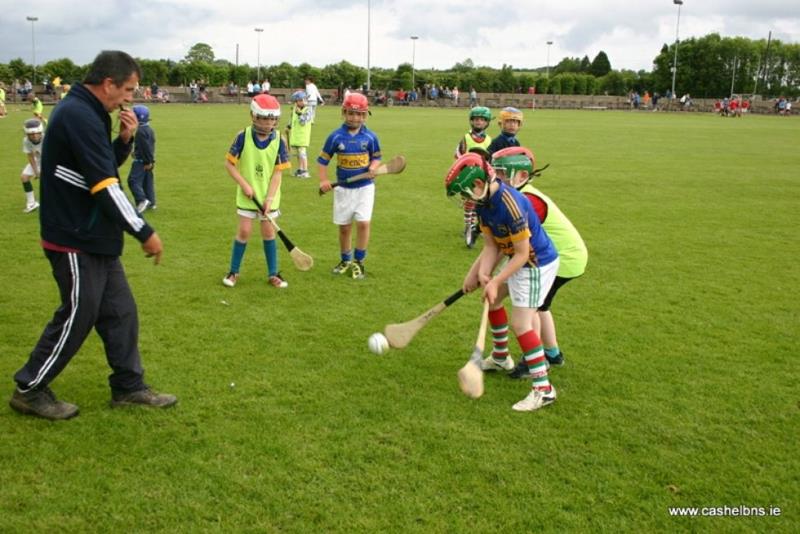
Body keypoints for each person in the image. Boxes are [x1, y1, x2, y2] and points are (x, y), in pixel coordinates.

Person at [9, 50, 176, 420]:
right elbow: (104, 184)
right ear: (108, 84)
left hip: (92, 234)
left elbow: (95, 167)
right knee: (78, 313)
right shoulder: (79, 114)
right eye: (128, 89)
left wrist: (124, 140)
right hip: (73, 235)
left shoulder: (90, 112)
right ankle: (30, 388)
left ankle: (128, 387)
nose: (131, 97)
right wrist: (143, 230)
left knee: (120, 312)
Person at [445, 153, 559, 412]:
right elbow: (490, 245)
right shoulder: (484, 203)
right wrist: (477, 274)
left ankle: (544, 389)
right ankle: (500, 358)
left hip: (535, 263)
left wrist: (495, 279)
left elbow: (521, 254)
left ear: (478, 184)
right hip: (520, 259)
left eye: (464, 194)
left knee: (521, 323)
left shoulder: (510, 204)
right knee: (493, 300)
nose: (464, 200)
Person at [490, 146, 588, 375]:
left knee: (529, 307)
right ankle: (552, 353)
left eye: (503, 173)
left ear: (521, 176)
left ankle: (533, 359)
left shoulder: (526, 200)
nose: (497, 178)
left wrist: (493, 274)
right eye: (496, 172)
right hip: (558, 256)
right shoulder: (518, 194)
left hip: (562, 258)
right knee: (541, 306)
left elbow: (513, 243)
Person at [222, 94, 291, 289]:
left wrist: (269, 199)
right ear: (253, 116)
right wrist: (244, 184)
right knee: (244, 232)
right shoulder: (242, 136)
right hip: (247, 195)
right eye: (265, 118)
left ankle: (273, 273)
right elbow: (229, 164)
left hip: (270, 196)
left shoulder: (279, 140)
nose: (269, 123)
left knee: (269, 234)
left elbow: (278, 173)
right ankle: (234, 271)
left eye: (272, 119)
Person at [318, 92, 382, 280]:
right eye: (351, 113)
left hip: (365, 187)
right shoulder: (335, 137)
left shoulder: (370, 137)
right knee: (344, 227)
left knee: (363, 223)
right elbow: (323, 161)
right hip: (343, 189)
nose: (355, 118)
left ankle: (358, 262)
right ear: (344, 112)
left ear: (365, 115)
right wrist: (323, 180)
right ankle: (345, 259)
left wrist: (373, 167)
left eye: (360, 114)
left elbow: (377, 157)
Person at [455, 106, 493, 248]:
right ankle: (468, 227)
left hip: (481, 176)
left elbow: (491, 158)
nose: (479, 122)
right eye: (476, 119)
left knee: (479, 203)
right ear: (471, 121)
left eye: (482, 120)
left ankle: (477, 226)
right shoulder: (466, 138)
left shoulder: (489, 140)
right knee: (468, 202)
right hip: (467, 175)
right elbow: (458, 155)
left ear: (487, 122)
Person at [127, 105, 157, 213]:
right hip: (148, 160)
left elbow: (145, 147)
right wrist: (151, 160)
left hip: (142, 161)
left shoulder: (140, 132)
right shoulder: (149, 129)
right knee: (147, 182)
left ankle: (142, 200)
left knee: (132, 181)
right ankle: (151, 203)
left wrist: (147, 161)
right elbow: (150, 146)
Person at [286, 90, 313, 179]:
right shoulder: (294, 109)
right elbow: (292, 119)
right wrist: (288, 127)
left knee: (302, 153)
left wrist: (299, 114)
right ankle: (300, 169)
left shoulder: (308, 110)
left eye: (304, 99)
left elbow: (303, 122)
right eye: (300, 100)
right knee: (297, 154)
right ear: (296, 102)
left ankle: (305, 171)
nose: (303, 102)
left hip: (303, 136)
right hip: (295, 135)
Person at [19, 118, 44, 212]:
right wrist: (36, 172)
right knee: (24, 177)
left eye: (36, 133)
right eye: (31, 134)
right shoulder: (26, 141)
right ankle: (31, 203)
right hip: (38, 161)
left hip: (50, 161)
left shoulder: (48, 138)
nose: (34, 136)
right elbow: (30, 156)